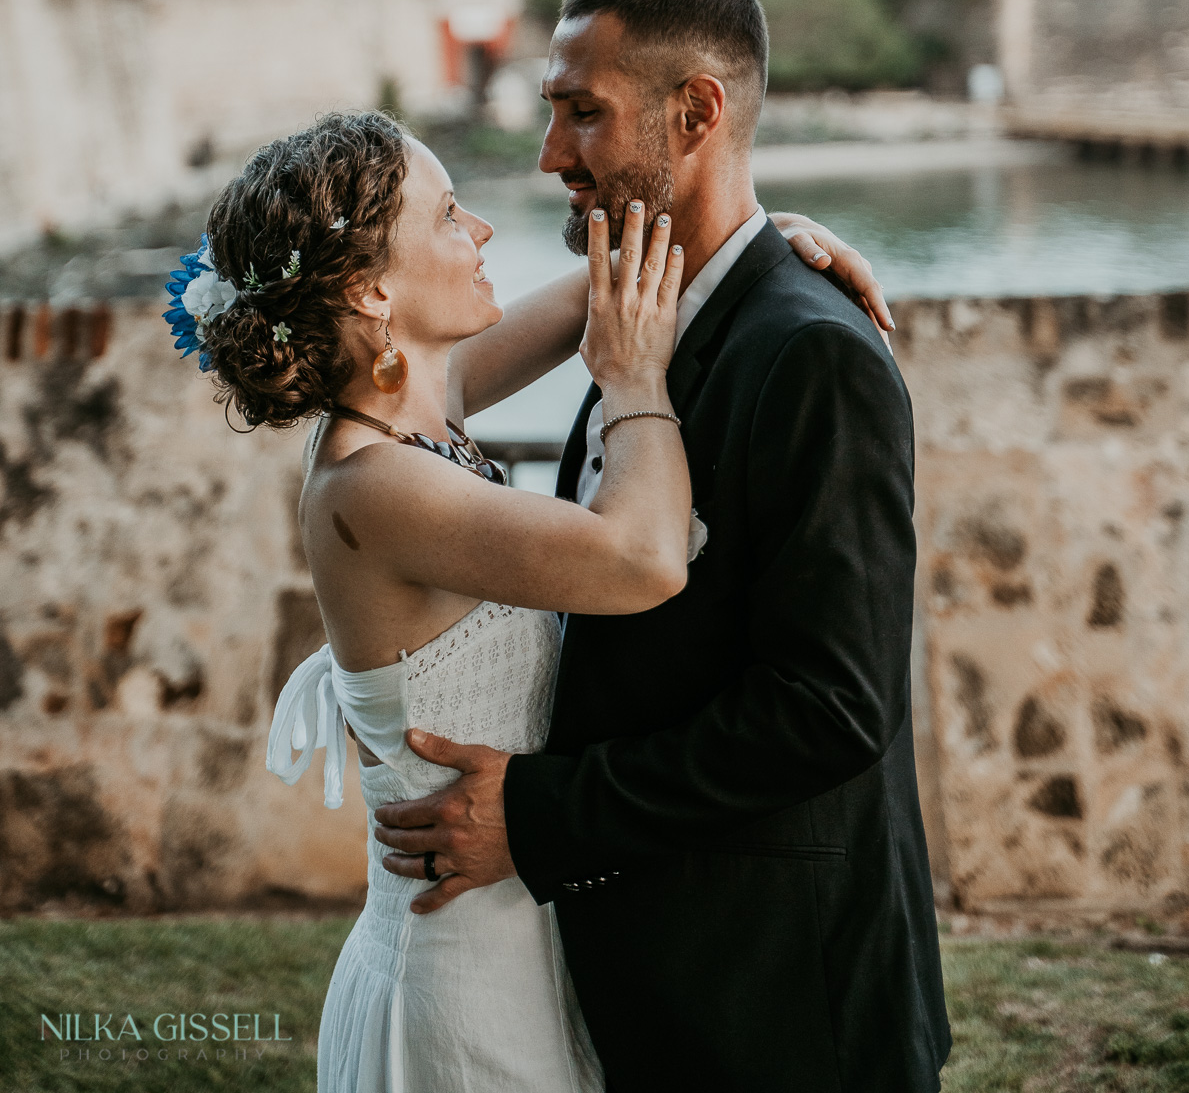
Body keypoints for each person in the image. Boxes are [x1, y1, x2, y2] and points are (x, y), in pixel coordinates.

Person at [161, 104, 882, 1092]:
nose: (484, 232)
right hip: (462, 969)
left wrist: (761, 241)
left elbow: (613, 284)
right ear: (375, 291)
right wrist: (633, 382)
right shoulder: (377, 485)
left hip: (517, 922)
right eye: (452, 216)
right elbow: (644, 561)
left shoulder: (415, 417)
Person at [373, 0, 952, 1093]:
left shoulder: (811, 355)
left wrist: (538, 818)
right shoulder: (645, 316)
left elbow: (833, 708)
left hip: (786, 1000)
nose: (549, 155)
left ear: (696, 114)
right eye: (553, 113)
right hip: (663, 981)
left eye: (583, 114)